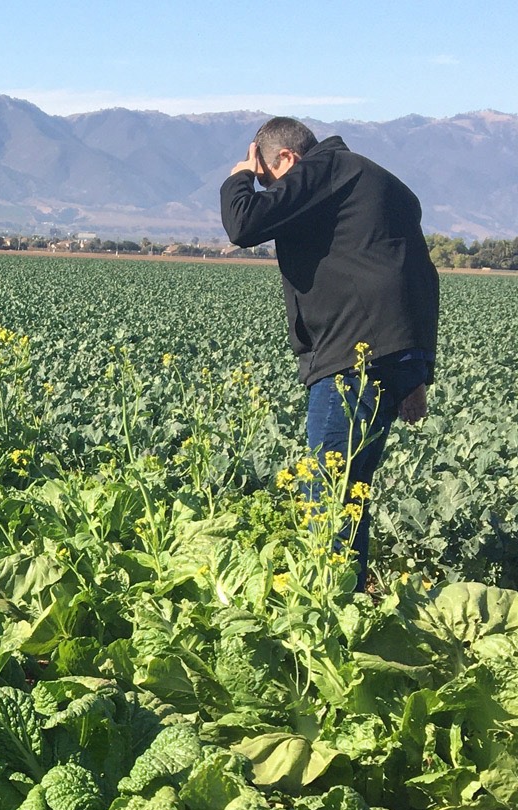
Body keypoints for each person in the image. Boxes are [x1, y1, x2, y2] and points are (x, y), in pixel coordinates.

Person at [220, 117, 440, 590]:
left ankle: (331, 604)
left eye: (267, 178)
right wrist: (417, 371)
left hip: (350, 355)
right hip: (392, 351)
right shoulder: (383, 183)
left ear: (287, 159)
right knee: (352, 488)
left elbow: (244, 224)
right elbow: (417, 275)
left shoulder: (320, 171)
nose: (266, 188)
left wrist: (239, 178)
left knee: (326, 489)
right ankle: (353, 594)